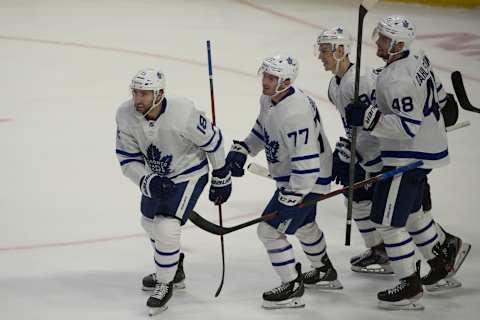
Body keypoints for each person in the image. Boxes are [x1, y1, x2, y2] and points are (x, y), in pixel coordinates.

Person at [345, 15, 471, 310]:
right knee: (412, 213)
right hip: (428, 149)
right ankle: (445, 252)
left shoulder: (396, 80)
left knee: (387, 223)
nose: (377, 42)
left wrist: (368, 118)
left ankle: (409, 286)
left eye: (384, 39)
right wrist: (443, 104)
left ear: (398, 44)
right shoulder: (418, 55)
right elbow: (437, 95)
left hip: (408, 156)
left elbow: (406, 127)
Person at [226, 54, 342, 310]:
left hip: (307, 180)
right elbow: (263, 127)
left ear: (286, 81)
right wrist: (245, 148)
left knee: (268, 230)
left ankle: (292, 287)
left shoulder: (295, 113)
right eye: (265, 75)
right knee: (306, 224)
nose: (265, 82)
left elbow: (307, 159)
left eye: (272, 78)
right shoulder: (270, 99)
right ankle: (324, 271)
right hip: (300, 177)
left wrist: (295, 194)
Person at [115, 68, 232, 315]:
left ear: (159, 94)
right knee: (148, 221)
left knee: (167, 226)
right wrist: (148, 180)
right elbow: (127, 159)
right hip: (156, 176)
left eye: (145, 94)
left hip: (189, 173)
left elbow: (213, 141)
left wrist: (221, 174)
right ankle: (174, 267)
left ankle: (165, 282)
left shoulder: (183, 112)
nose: (138, 99)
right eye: (136, 92)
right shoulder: (125, 114)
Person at [314, 26, 391, 274]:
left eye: (325, 50)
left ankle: (436, 249)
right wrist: (350, 147)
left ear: (341, 50)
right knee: (354, 196)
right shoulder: (335, 85)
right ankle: (380, 249)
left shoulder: (363, 81)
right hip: (365, 154)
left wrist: (358, 152)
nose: (320, 56)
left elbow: (378, 123)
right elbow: (354, 125)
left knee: (400, 210)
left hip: (384, 155)